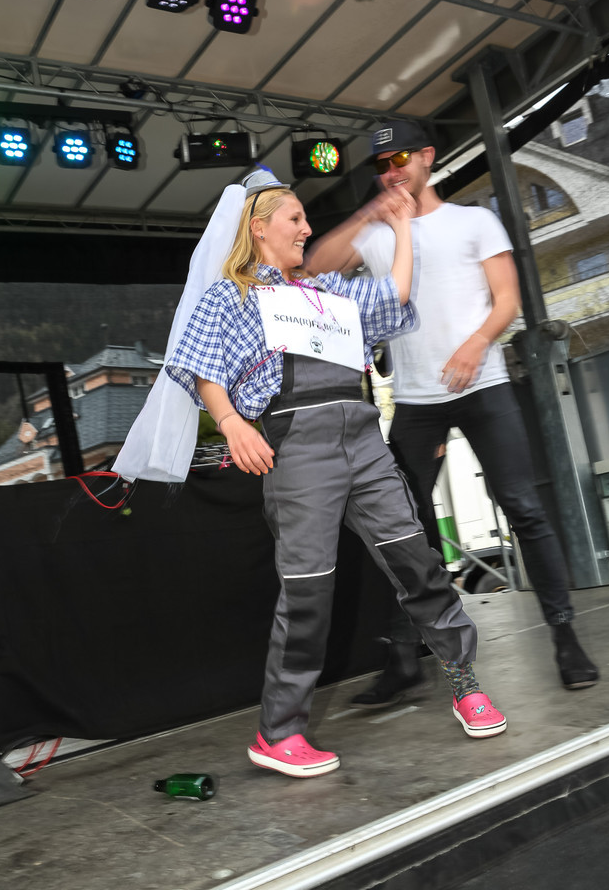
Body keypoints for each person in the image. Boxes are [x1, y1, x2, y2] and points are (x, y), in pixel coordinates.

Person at [163, 170, 507, 779]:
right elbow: (199, 366)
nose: (306, 228)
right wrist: (233, 423)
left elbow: (396, 293)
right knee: (308, 589)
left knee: (417, 563)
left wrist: (400, 228)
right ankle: (280, 732)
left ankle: (464, 684)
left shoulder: (329, 289)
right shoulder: (230, 295)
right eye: (294, 219)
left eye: (305, 218)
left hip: (365, 442)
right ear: (258, 228)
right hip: (299, 451)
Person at [305, 119, 599, 701]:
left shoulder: (474, 222)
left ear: (427, 157)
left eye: (401, 159)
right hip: (417, 399)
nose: (392, 171)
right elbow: (315, 265)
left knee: (523, 507)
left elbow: (507, 301)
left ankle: (566, 637)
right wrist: (371, 213)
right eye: (382, 165)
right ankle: (404, 658)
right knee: (404, 530)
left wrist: (475, 344)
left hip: (483, 385)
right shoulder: (378, 232)